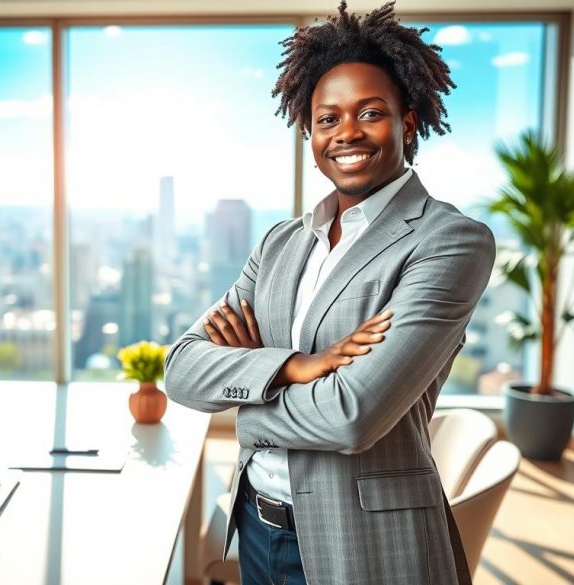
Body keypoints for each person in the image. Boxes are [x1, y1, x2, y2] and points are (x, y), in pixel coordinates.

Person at [164, 2, 496, 584]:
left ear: (408, 121)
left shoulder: (449, 242)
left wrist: (246, 402)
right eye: (327, 118)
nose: (347, 133)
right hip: (257, 528)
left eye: (370, 113)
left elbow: (353, 416)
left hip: (364, 543)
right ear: (309, 131)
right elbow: (183, 369)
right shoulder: (280, 244)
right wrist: (296, 367)